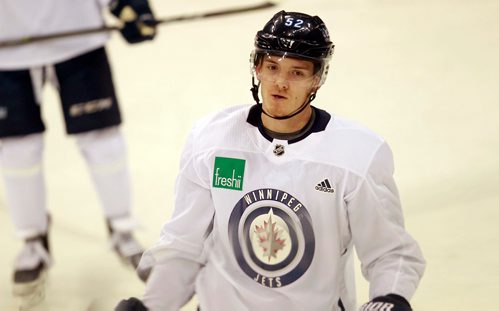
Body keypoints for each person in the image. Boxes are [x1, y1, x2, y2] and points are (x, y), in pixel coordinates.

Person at [117, 10, 426, 311]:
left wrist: (390, 297)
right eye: (273, 67)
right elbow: (185, 245)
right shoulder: (211, 140)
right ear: (257, 68)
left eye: (297, 73)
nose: (281, 83)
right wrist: (151, 304)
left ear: (317, 80)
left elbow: (390, 252)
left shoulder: (357, 155)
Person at [0, 0, 156, 304]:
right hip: (7, 48)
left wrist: (129, 4)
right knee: (18, 149)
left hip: (78, 38)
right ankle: (33, 240)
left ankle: (122, 228)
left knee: (103, 142)